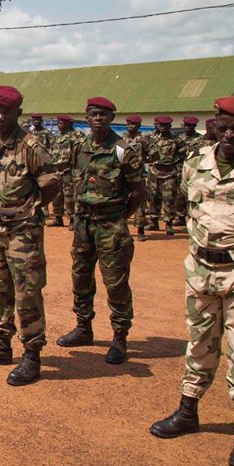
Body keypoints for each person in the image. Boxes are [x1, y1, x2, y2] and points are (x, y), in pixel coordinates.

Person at [149, 96, 234, 466]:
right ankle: (188, 411)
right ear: (213, 127)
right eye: (225, 128)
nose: (231, 135)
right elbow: (192, 210)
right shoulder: (194, 164)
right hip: (201, 271)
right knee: (199, 343)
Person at [0, 85, 58, 386]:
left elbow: (50, 185)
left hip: (23, 233)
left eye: (6, 112)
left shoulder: (31, 146)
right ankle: (1, 344)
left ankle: (32, 354)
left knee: (27, 293)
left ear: (18, 113)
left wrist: (29, 210)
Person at [56, 97, 145, 363]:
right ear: (87, 116)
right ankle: (84, 328)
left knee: (115, 283)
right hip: (83, 224)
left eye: (104, 115)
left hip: (111, 226)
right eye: (94, 114)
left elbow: (139, 191)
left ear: (111, 117)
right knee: (81, 277)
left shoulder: (122, 150)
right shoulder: (79, 147)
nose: (98, 119)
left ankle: (120, 337)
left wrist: (119, 216)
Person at [146, 116, 185, 235]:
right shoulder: (149, 138)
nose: (162, 127)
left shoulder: (176, 140)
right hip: (154, 172)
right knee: (153, 198)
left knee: (169, 199)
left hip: (169, 173)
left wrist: (176, 167)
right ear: (156, 125)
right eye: (160, 125)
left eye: (165, 125)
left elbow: (182, 153)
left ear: (170, 126)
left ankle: (169, 224)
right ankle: (154, 222)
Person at [49, 115, 85, 228]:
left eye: (61, 123)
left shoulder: (76, 135)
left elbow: (82, 151)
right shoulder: (57, 137)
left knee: (69, 195)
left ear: (69, 124)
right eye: (58, 123)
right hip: (57, 169)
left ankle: (72, 220)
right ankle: (58, 218)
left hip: (69, 170)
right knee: (56, 195)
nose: (59, 125)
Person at [124, 115, 152, 242]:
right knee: (122, 202)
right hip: (123, 176)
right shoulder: (122, 139)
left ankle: (140, 230)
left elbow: (155, 154)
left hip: (138, 176)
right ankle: (123, 230)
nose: (130, 126)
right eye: (128, 124)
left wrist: (143, 162)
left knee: (139, 203)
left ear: (139, 126)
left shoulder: (143, 139)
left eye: (133, 124)